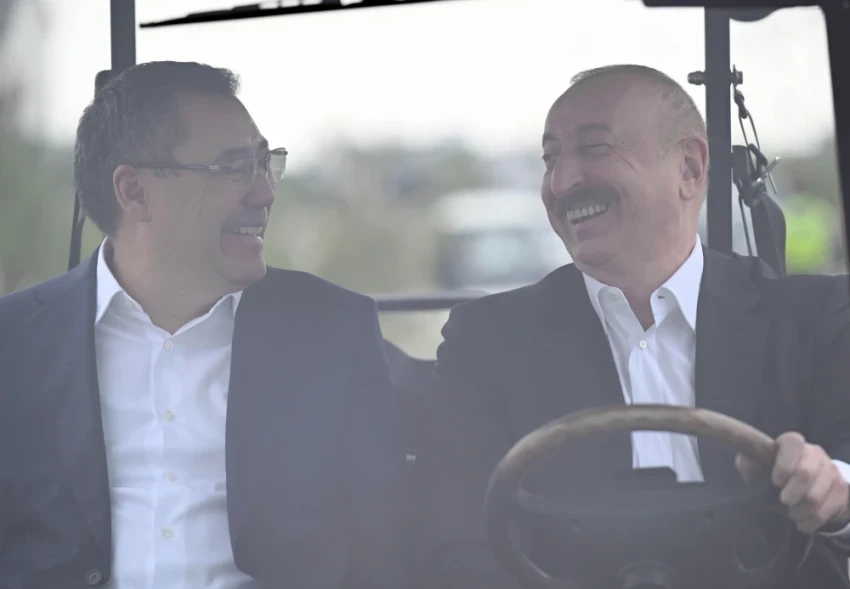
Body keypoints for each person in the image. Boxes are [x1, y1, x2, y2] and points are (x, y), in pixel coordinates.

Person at [413, 64, 850, 589]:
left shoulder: (816, 319)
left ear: (689, 167)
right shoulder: (487, 341)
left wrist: (835, 491)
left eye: (594, 148)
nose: (561, 182)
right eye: (551, 159)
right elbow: (455, 541)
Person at [0, 61, 408, 589]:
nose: (265, 193)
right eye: (234, 168)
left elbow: (383, 551)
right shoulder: (15, 344)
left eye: (265, 163)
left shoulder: (332, 331)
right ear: (135, 192)